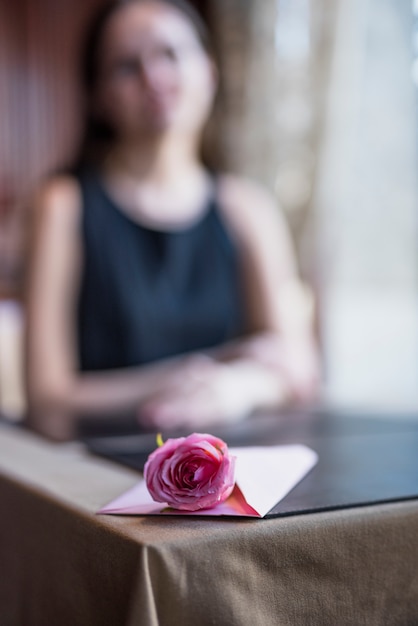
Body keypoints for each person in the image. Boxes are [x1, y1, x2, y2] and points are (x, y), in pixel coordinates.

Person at [25, 0, 320, 441]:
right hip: (93, 466)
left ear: (210, 71)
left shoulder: (246, 208)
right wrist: (209, 366)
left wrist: (242, 386)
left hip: (228, 465)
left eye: (171, 54)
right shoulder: (63, 204)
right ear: (99, 96)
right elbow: (47, 393)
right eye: (126, 66)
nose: (154, 77)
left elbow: (297, 365)